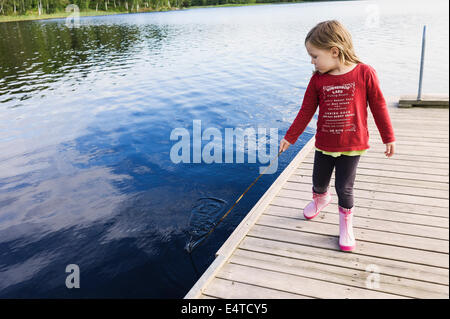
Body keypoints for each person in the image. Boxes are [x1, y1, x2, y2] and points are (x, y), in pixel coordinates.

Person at [278, 20, 396, 252]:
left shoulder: (364, 73)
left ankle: (345, 225)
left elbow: (379, 106)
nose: (311, 61)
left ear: (334, 51)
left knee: (345, 188)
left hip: (352, 146)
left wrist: (388, 136)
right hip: (324, 144)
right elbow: (306, 110)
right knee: (318, 182)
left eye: (314, 56)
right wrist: (291, 136)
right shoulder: (318, 80)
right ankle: (321, 199)